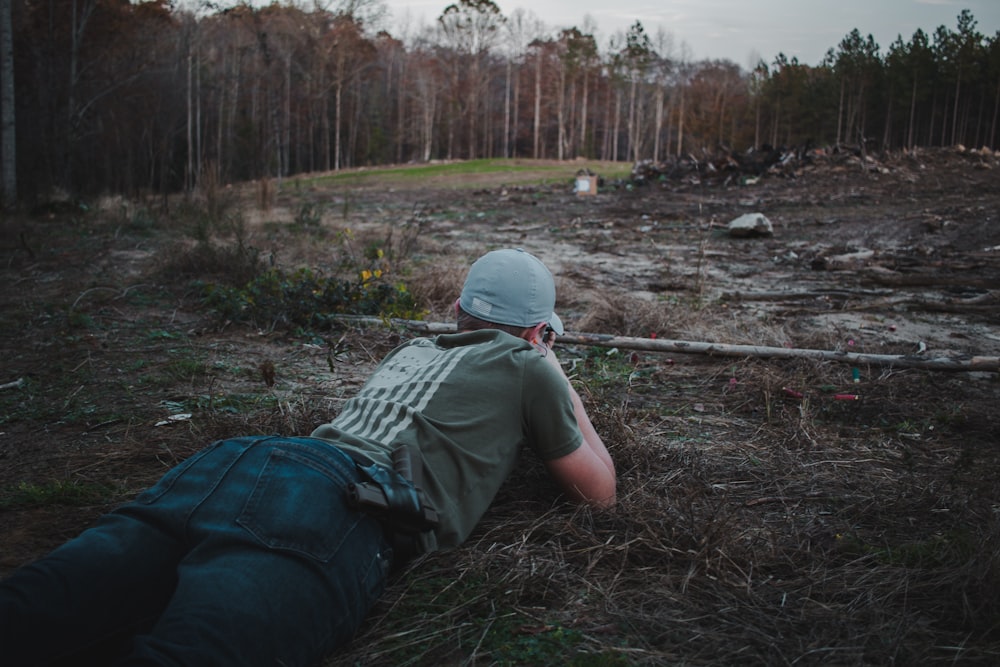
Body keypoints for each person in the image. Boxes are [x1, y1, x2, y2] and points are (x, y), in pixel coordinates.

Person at [0, 247, 616, 667]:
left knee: (36, 607)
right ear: (540, 333)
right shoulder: (527, 366)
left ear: (457, 314)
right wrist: (549, 367)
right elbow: (601, 491)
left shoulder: (414, 351)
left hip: (236, 464)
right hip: (333, 504)